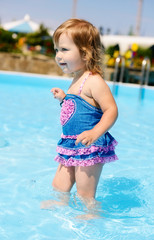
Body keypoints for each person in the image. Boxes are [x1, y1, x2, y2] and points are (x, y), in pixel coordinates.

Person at [41, 19, 118, 208]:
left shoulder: (93, 81)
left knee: (85, 194)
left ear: (85, 53)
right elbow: (79, 108)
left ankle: (92, 215)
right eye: (56, 49)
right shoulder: (76, 79)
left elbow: (111, 110)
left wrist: (95, 133)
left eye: (64, 50)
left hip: (88, 145)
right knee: (58, 186)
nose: (58, 56)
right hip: (69, 143)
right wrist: (64, 99)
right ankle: (60, 206)